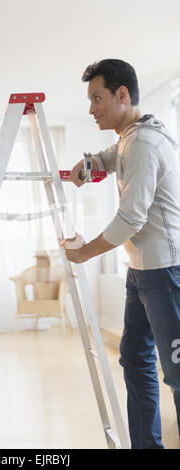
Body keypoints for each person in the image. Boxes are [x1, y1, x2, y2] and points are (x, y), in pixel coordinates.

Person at [62, 59, 180, 449]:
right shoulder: (133, 134)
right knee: (134, 357)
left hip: (164, 273)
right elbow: (112, 156)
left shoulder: (144, 142)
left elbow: (131, 217)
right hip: (141, 271)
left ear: (122, 94)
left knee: (177, 372)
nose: (92, 108)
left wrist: (86, 253)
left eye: (97, 98)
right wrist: (90, 164)